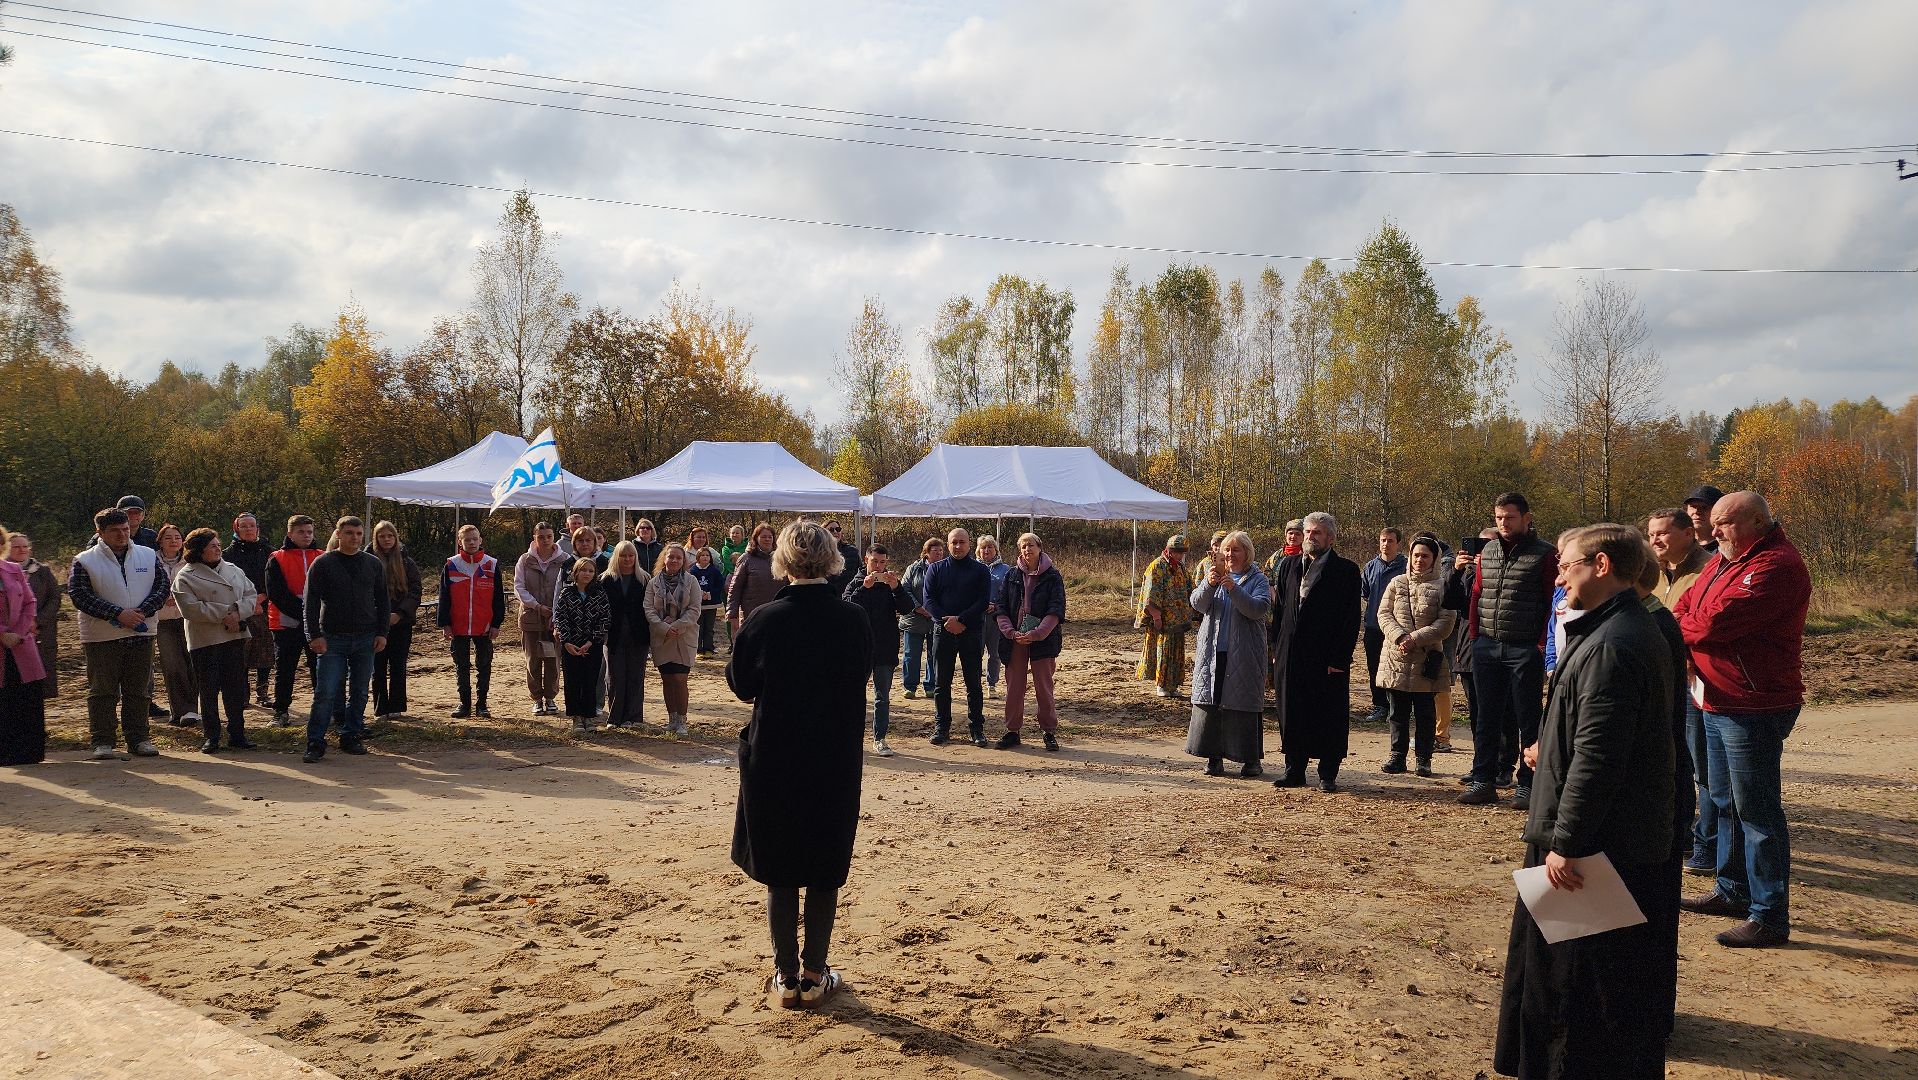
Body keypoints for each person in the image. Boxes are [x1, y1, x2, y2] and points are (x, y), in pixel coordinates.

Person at [1493, 524, 1676, 1080]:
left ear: (1601, 566)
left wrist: (1568, 842)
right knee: (1558, 974)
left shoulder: (1615, 645)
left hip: (1594, 850)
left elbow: (1599, 757)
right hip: (1593, 837)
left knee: (1576, 986)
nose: (1559, 574)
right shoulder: (1611, 630)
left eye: (1568, 564)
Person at [727, 521, 870, 1008]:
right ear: (832, 558)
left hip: (777, 758)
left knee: (782, 868)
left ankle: (787, 976)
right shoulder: (853, 619)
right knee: (824, 867)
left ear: (783, 560)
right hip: (833, 758)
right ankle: (813, 972)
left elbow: (741, 684)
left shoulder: (765, 618)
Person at [1674, 491, 1811, 949]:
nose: (1713, 532)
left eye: (1725, 523)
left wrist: (1693, 623)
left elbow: (1714, 624)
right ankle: (1733, 891)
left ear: (1757, 522)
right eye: (1713, 523)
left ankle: (1769, 915)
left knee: (1757, 810)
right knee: (1723, 799)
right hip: (1714, 697)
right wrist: (1692, 620)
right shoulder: (1723, 560)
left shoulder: (1776, 566)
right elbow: (1685, 606)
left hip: (1753, 702)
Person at [1635, 540, 1699, 1037]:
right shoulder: (1638, 623)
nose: (1559, 581)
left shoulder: (1639, 632)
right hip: (1642, 802)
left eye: (1566, 568)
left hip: (1637, 807)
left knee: (1634, 924)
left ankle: (1637, 1019)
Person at [1459, 493, 1558, 809]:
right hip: (1487, 646)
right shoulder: (1487, 551)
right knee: (1485, 718)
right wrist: (1476, 637)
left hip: (1524, 648)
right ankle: (1482, 781)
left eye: (1510, 517)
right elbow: (1476, 595)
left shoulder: (1546, 556)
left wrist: (1541, 646)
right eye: (1499, 517)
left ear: (1527, 518)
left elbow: (1550, 604)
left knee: (1528, 720)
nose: (1503, 523)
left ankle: (1527, 787)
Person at [1270, 513, 1363, 792]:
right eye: (1308, 532)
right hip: (1291, 653)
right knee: (1292, 711)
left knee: (1327, 713)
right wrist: (1276, 648)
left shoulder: (1346, 570)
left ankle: (1327, 774)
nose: (1310, 537)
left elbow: (1350, 619)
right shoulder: (1287, 566)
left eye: (1317, 533)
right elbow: (1278, 612)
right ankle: (1294, 769)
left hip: (1326, 657)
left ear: (1330, 538)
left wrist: (1340, 658)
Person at [70, 507, 168, 759]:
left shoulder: (147, 555)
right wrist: (117, 613)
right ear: (100, 532)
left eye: (125, 529)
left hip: (142, 633)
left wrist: (140, 613)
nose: (122, 534)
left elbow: (161, 587)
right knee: (103, 690)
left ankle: (139, 739)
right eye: (114, 531)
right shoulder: (84, 560)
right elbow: (80, 596)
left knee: (139, 689)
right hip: (101, 637)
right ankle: (102, 741)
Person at [1648, 507, 1714, 876]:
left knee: (1700, 765)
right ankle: (1681, 833)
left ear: (1688, 533)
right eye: (1651, 534)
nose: (1655, 540)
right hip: (1659, 678)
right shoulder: (1649, 573)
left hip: (1694, 679)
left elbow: (1704, 623)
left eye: (1663, 533)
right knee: (1670, 760)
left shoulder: (1708, 569)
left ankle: (1707, 842)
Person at [301, 516, 390, 764]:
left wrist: (382, 632)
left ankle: (351, 735)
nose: (355, 538)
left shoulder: (372, 564)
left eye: (359, 533)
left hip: (366, 637)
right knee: (326, 691)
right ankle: (315, 742)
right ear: (338, 535)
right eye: (350, 533)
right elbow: (309, 603)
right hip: (332, 639)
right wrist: (314, 636)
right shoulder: (323, 563)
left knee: (360, 691)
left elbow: (383, 601)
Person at [1186, 531, 1272, 778]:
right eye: (1227, 550)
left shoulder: (1258, 579)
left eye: (1236, 550)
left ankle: (1251, 759)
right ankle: (1214, 758)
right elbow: (1197, 605)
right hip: (1213, 652)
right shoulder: (1213, 575)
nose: (1230, 555)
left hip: (1244, 654)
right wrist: (1209, 584)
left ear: (1247, 553)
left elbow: (1257, 609)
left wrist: (1234, 588)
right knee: (1211, 704)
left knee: (1242, 705)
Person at [1374, 535, 1455, 777]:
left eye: (1425, 556)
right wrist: (1400, 637)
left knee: (1425, 713)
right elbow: (1383, 613)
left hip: (1426, 659)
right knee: (1396, 712)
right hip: (1395, 657)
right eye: (1416, 555)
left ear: (1435, 559)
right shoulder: (1397, 583)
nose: (1419, 560)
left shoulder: (1443, 586)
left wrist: (1415, 638)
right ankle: (1397, 756)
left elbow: (1446, 622)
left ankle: (1424, 759)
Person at [173, 528, 260, 753]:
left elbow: (251, 594)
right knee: (209, 690)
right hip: (206, 640)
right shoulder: (186, 576)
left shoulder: (233, 569)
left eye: (218, 544)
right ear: (199, 551)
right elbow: (191, 609)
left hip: (234, 636)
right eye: (212, 546)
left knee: (235, 688)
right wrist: (226, 615)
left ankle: (237, 735)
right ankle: (211, 736)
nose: (218, 548)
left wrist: (238, 614)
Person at [994, 533, 1066, 752]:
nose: (1027, 550)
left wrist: (1037, 633)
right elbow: (1001, 607)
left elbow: (1056, 609)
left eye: (1031, 545)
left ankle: (1049, 732)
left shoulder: (1053, 576)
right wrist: (1010, 632)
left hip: (1042, 640)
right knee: (1014, 688)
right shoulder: (1011, 575)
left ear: (1039, 547)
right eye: (1023, 546)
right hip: (1015, 639)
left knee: (1044, 688)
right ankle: (1013, 731)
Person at [843, 543, 913, 756]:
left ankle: (879, 738)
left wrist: (897, 588)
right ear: (866, 560)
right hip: (860, 648)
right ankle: (850, 738)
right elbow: (847, 606)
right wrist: (865, 587)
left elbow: (908, 608)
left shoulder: (890, 584)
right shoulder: (855, 583)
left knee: (882, 696)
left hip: (885, 647)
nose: (879, 566)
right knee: (854, 695)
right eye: (875, 561)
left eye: (883, 562)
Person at [925, 527, 992, 747]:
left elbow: (983, 601)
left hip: (970, 632)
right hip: (942, 631)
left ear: (969, 544)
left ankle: (976, 729)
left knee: (973, 683)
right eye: (954, 542)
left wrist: (961, 620)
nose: (958, 546)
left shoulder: (980, 570)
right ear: (948, 544)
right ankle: (941, 727)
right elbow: (929, 601)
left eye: (962, 542)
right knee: (941, 684)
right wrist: (947, 622)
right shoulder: (935, 569)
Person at [439, 524, 504, 719]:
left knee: (484, 664)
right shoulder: (451, 564)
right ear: (460, 542)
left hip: (484, 625)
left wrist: (496, 624)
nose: (472, 542)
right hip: (458, 624)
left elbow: (499, 598)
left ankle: (482, 704)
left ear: (480, 539)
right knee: (462, 664)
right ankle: (464, 704)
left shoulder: (491, 564)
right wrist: (445, 623)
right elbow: (444, 596)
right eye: (467, 539)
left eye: (475, 539)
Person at [264, 515, 322, 728]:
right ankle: (280, 712)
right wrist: (304, 613)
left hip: (316, 624)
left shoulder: (321, 556)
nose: (306, 536)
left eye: (309, 532)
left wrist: (313, 616)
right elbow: (276, 593)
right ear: (290, 534)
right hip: (286, 624)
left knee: (319, 668)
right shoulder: (276, 558)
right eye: (301, 532)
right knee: (285, 669)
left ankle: (323, 710)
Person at [0, 524, 50, 766]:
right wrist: (2, 634)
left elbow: (30, 602)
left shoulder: (12, 570)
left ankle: (29, 753)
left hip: (21, 645)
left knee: (26, 699)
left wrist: (17, 633)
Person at [646, 542, 702, 736]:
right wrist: (664, 627)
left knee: (680, 678)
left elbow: (695, 610)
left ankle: (683, 721)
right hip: (662, 637)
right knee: (667, 679)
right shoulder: (653, 583)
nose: (674, 560)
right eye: (671, 557)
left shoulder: (692, 581)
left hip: (683, 636)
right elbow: (649, 609)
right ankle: (671, 719)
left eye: (678, 557)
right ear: (664, 559)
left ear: (683, 561)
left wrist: (676, 626)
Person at [514, 522, 569, 717]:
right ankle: (536, 698)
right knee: (533, 660)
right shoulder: (525, 560)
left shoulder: (564, 559)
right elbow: (519, 588)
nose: (545, 540)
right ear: (534, 538)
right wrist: (537, 606)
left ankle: (551, 697)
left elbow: (568, 588)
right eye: (541, 537)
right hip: (531, 618)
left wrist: (555, 611)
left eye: (549, 536)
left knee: (553, 660)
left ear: (554, 537)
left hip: (556, 619)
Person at [369, 522, 422, 722]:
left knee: (398, 665)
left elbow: (416, 590)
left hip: (402, 622)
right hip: (375, 622)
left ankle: (397, 706)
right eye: (382, 536)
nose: (387, 539)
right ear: (376, 538)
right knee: (378, 666)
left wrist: (399, 613)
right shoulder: (368, 560)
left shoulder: (407, 562)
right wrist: (380, 615)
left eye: (390, 535)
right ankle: (380, 707)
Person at [224, 513, 276, 708]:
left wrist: (263, 597)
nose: (248, 529)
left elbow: (275, 579)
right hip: (239, 607)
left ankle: (263, 691)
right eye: (243, 526)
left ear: (257, 529)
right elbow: (226, 582)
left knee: (265, 651)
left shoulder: (270, 552)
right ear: (236, 529)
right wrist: (246, 603)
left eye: (251, 526)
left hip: (265, 607)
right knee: (241, 652)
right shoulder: (227, 554)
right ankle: (242, 693)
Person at [555, 557, 611, 733]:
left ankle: (588, 716)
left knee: (590, 680)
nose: (586, 574)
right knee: (573, 680)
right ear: (576, 572)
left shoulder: (599, 592)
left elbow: (605, 618)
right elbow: (560, 617)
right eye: (583, 570)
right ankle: (576, 717)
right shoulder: (566, 592)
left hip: (592, 645)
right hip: (570, 645)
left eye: (590, 571)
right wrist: (567, 641)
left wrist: (592, 641)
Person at [600, 540, 652, 729]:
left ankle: (634, 717)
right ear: (616, 557)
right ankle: (615, 718)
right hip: (612, 635)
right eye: (623, 555)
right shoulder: (605, 579)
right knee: (614, 676)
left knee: (635, 676)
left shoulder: (645, 579)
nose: (628, 559)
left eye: (631, 555)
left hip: (638, 635)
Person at [1137, 534, 1195, 699]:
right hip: (1163, 621)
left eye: (1182, 552)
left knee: (1177, 654)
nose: (1180, 555)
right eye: (1177, 552)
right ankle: (1161, 684)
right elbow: (1151, 595)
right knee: (1164, 652)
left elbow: (1190, 588)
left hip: (1178, 621)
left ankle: (1173, 685)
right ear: (1169, 550)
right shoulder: (1157, 566)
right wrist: (1156, 617)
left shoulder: (1180, 568)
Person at [152, 524, 198, 729]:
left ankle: (190, 710)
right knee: (172, 666)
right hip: (161, 620)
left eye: (177, 537)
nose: (173, 541)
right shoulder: (150, 560)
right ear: (160, 541)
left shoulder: (191, 561)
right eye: (168, 538)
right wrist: (161, 599)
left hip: (188, 618)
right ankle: (178, 709)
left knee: (191, 664)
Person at [6, 531, 61, 699]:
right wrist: (22, 626)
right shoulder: (4, 573)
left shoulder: (42, 571)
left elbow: (55, 598)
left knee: (43, 672)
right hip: (12, 633)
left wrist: (37, 621)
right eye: (16, 547)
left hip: (42, 631)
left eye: (25, 547)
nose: (22, 550)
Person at [1361, 528, 1407, 724]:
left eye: (1390, 540)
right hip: (1373, 627)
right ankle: (1379, 705)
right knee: (1374, 668)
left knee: (1396, 668)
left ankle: (1397, 708)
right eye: (1382, 540)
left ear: (1398, 544)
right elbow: (1364, 593)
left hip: (1398, 629)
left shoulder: (1406, 566)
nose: (1385, 544)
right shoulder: (1371, 566)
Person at [897, 537, 945, 700]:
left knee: (934, 654)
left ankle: (930, 686)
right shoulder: (913, 568)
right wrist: (918, 607)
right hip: (913, 619)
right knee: (911, 655)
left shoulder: (945, 568)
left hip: (935, 619)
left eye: (940, 551)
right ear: (926, 552)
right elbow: (905, 589)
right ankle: (910, 686)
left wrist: (933, 610)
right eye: (935, 551)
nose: (939, 553)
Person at [728, 523, 784, 638]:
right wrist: (732, 613)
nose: (767, 539)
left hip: (777, 612)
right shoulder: (746, 558)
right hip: (752, 613)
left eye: (770, 537)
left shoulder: (782, 559)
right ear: (756, 538)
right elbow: (735, 587)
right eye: (763, 537)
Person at [976, 535, 1011, 698]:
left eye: (990, 547)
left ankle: (992, 684)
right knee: (975, 652)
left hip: (996, 617)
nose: (986, 550)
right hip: (975, 616)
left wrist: (995, 605)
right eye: (983, 547)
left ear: (996, 550)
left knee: (994, 653)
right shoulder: (972, 568)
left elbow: (1009, 594)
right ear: (978, 551)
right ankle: (975, 683)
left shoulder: (1006, 570)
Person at [690, 546, 726, 657]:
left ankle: (709, 648)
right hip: (698, 604)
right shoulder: (693, 571)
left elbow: (719, 584)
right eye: (702, 555)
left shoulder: (714, 570)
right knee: (698, 627)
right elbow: (691, 585)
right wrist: (700, 594)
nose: (705, 557)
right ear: (698, 557)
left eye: (707, 555)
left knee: (709, 628)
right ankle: (698, 649)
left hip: (711, 604)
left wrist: (710, 593)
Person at [823, 520, 862, 597]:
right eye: (831, 530)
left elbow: (860, 573)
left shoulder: (852, 551)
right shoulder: (817, 553)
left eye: (838, 529)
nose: (835, 532)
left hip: (848, 597)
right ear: (823, 533)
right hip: (826, 597)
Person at [1685, 484, 1724, 553]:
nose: (1697, 512)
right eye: (1693, 506)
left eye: (1704, 507)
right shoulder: (1677, 546)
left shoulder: (1727, 548)